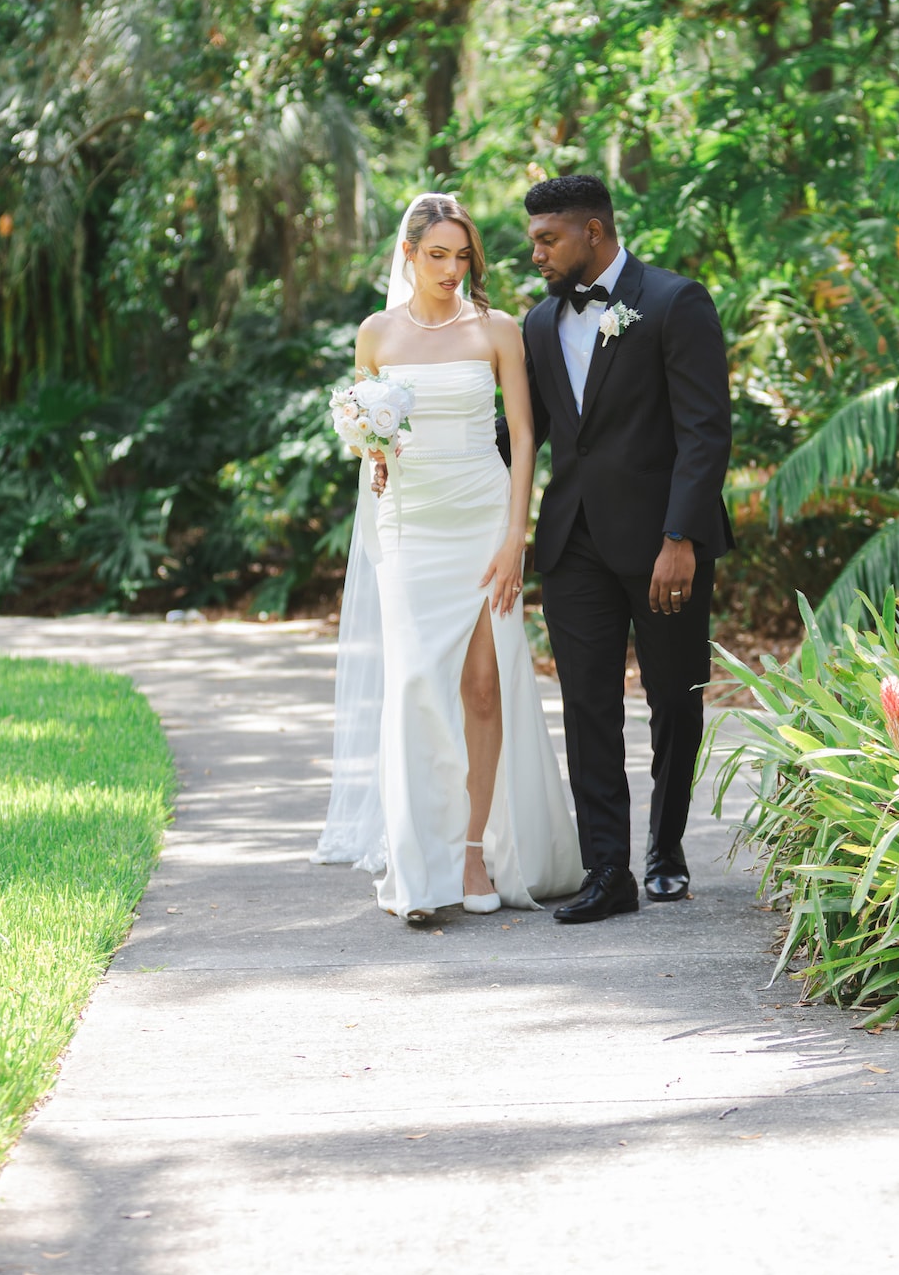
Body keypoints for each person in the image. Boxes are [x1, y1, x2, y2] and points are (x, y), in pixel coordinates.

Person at [311, 193, 584, 923]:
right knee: (413, 688)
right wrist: (374, 454)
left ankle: (471, 851)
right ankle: (417, 870)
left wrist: (515, 537)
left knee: (484, 689)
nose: (451, 269)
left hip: (482, 516)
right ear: (408, 254)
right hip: (409, 525)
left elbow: (523, 437)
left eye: (462, 256)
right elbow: (372, 438)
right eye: (437, 255)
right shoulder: (376, 334)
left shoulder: (496, 330)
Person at [513, 174, 733, 924]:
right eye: (534, 240)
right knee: (587, 705)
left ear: (594, 232)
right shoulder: (538, 324)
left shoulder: (674, 302)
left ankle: (665, 849)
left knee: (674, 698)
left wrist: (681, 538)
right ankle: (607, 870)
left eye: (548, 239)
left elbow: (705, 431)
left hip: (662, 541)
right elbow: (527, 433)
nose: (537, 253)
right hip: (571, 541)